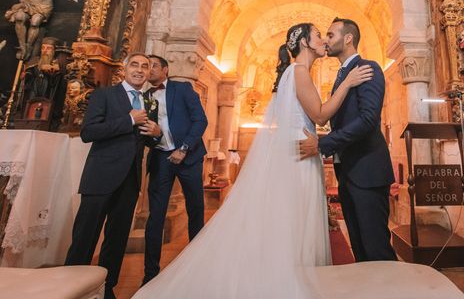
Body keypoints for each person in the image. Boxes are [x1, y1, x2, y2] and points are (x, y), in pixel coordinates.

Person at [133, 23, 372, 298]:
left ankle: (294, 277)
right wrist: (347, 85)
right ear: (305, 42)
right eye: (318, 35)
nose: (323, 40)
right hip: (300, 154)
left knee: (292, 221)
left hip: (303, 149)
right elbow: (319, 116)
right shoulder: (299, 71)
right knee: (296, 222)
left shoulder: (297, 73)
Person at [65, 53, 162, 299]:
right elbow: (88, 132)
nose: (140, 70)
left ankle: (107, 289)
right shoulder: (105, 95)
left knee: (116, 240)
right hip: (100, 176)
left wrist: (156, 132)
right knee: (85, 236)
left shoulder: (150, 101)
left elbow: (145, 139)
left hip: (130, 179)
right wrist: (129, 119)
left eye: (145, 66)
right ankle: (71, 290)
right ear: (125, 69)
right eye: (135, 65)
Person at [300, 17, 396, 262]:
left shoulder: (369, 68)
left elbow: (367, 121)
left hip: (367, 172)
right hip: (349, 171)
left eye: (331, 35)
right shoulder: (343, 75)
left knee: (376, 250)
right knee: (360, 249)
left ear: (348, 38)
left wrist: (322, 144)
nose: (326, 40)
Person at [143, 55, 208, 284]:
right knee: (155, 217)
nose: (148, 70)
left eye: (152, 66)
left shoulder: (182, 89)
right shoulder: (143, 97)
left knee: (195, 210)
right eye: (144, 66)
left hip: (189, 157)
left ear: (165, 70)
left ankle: (197, 267)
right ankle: (150, 275)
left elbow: (200, 120)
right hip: (161, 158)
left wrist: (184, 148)